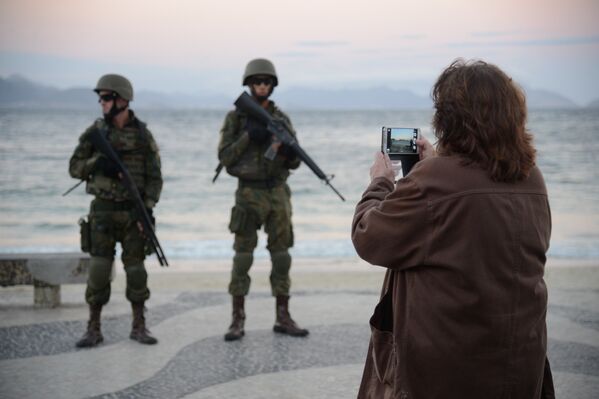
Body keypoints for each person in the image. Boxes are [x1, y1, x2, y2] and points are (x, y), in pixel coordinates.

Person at [351, 59, 555, 398]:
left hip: (445, 367)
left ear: (449, 117)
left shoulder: (434, 181)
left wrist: (380, 183)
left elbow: (368, 236)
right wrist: (434, 163)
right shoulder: (531, 177)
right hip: (518, 355)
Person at [217, 58, 309, 341]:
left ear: (273, 85)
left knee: (281, 255)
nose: (261, 86)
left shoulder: (281, 120)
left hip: (277, 192)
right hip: (248, 193)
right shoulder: (236, 118)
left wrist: (283, 150)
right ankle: (237, 318)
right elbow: (225, 158)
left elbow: (294, 162)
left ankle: (283, 316)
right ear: (248, 84)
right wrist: (248, 136)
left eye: (266, 81)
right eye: (257, 81)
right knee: (243, 256)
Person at [69, 74, 163, 347]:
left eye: (107, 97)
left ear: (122, 100)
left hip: (133, 213)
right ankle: (93, 328)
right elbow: (74, 168)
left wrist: (147, 209)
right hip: (102, 211)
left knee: (136, 271)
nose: (101, 102)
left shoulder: (143, 135)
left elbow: (155, 178)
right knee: (99, 269)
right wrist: (99, 162)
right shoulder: (95, 133)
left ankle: (139, 326)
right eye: (100, 98)